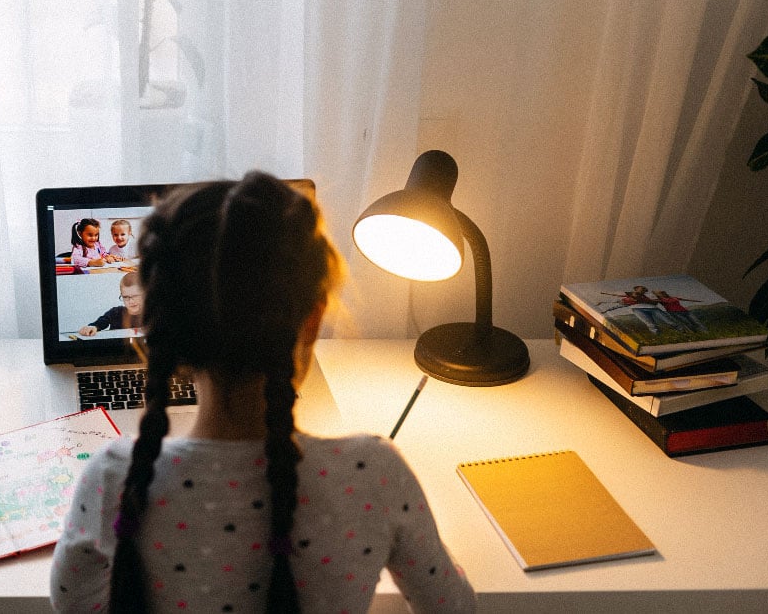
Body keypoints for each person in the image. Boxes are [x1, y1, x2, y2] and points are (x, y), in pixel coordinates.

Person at [50, 172, 475, 613]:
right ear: (311, 321)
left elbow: (74, 606)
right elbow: (454, 607)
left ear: (162, 333)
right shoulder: (375, 474)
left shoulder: (113, 479)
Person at [78, 272, 144, 337]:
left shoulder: (151, 316)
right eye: (125, 297)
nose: (131, 301)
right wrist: (92, 327)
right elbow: (100, 322)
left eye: (135, 296)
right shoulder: (116, 312)